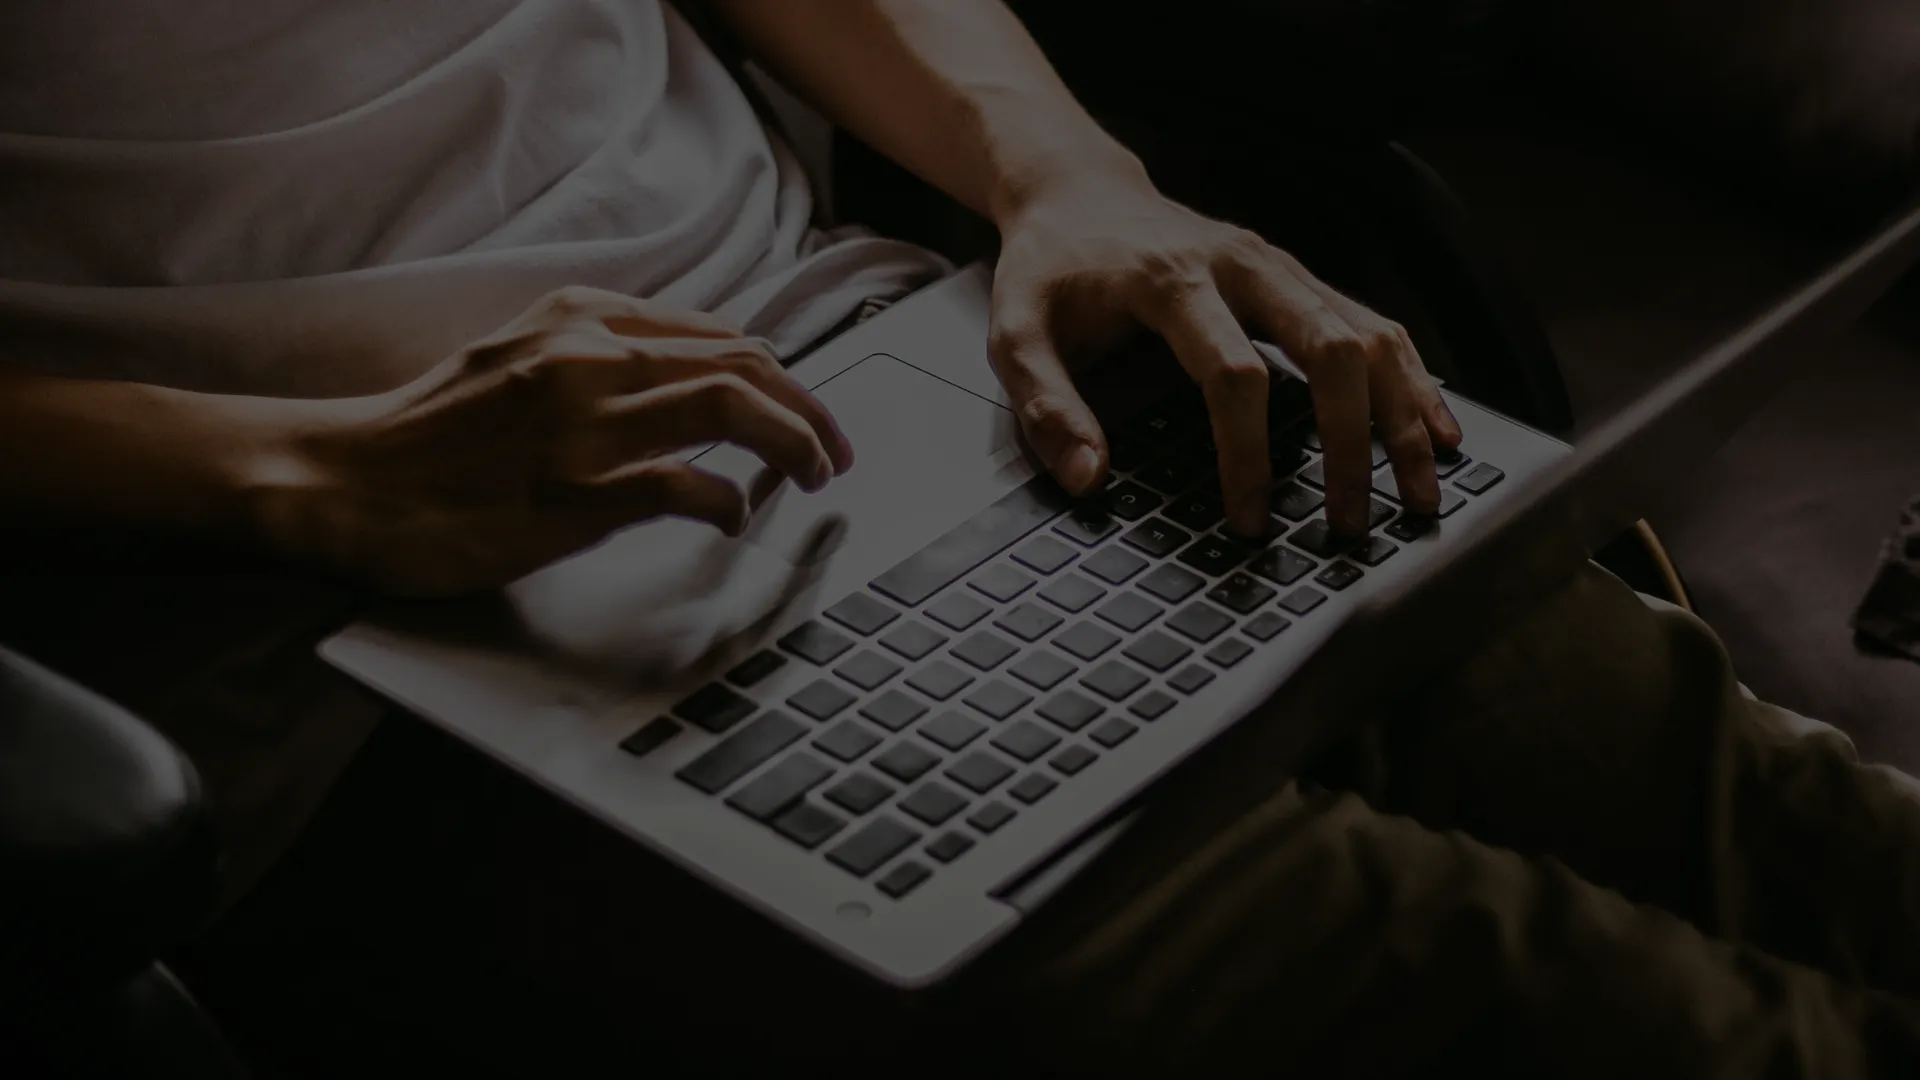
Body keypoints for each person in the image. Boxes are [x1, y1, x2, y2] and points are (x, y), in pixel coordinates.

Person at [3, 1, 1920, 1077]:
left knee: (1823, 849)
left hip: (905, 384)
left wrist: (1061, 170)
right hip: (372, 660)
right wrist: (305, 473)